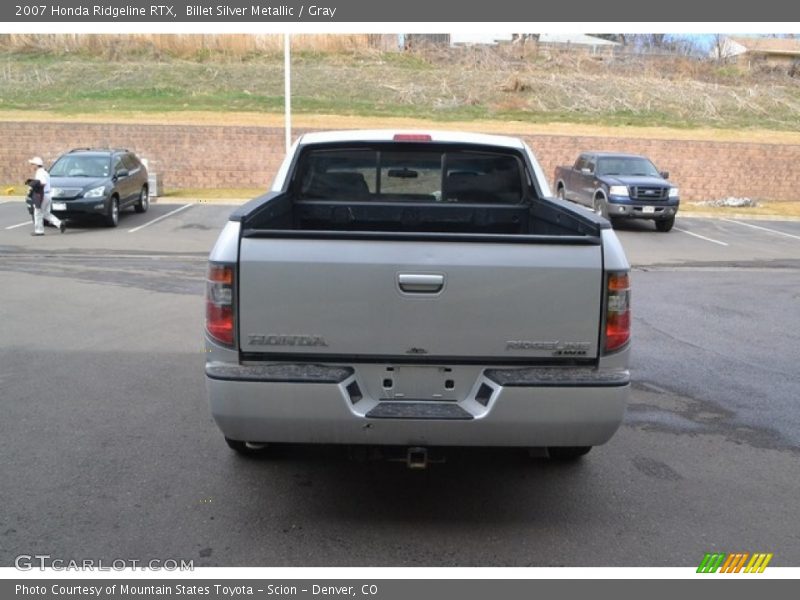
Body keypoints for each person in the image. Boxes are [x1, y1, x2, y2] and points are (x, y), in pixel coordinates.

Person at [27, 156, 66, 236]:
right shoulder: (44, 172)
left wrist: (34, 185)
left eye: (33, 164)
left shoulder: (39, 173)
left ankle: (39, 231)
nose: (32, 166)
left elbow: (43, 182)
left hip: (42, 195)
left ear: (36, 165)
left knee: (37, 212)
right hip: (48, 194)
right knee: (45, 213)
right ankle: (59, 223)